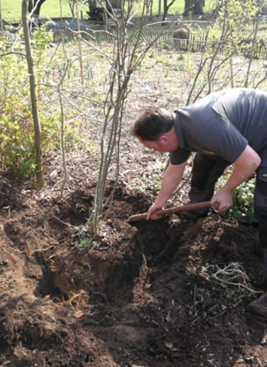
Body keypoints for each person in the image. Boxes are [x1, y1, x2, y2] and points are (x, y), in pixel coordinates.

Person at [131, 87, 267, 320]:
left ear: (163, 140)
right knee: (204, 160)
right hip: (246, 136)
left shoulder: (205, 127)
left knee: (265, 209)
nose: (156, 152)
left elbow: (251, 160)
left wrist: (226, 191)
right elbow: (174, 172)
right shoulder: (179, 130)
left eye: (152, 148)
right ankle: (198, 211)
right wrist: (159, 204)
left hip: (263, 142)